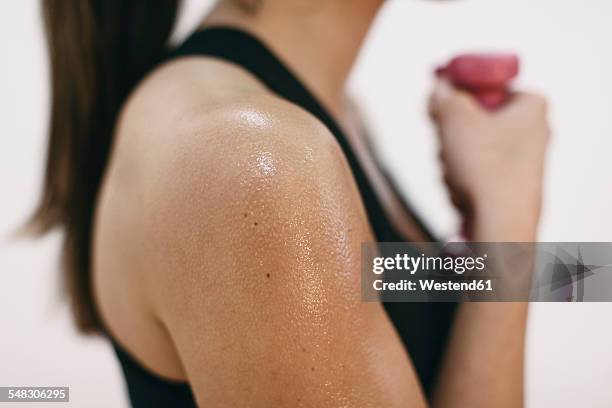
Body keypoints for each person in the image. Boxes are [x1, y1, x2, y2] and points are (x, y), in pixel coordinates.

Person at [32, 0, 550, 406]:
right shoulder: (255, 158)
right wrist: (511, 218)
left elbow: (401, 283)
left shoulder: (323, 117)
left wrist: (509, 226)